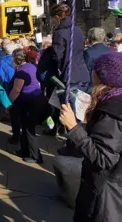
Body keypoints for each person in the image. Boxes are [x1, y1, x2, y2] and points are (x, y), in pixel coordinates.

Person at [59, 52, 122, 221]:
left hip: (105, 194)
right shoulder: (113, 103)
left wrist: (73, 128)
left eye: (95, 70)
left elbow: (103, 158)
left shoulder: (111, 113)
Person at [9, 50, 44, 163]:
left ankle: (36, 156)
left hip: (29, 103)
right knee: (25, 128)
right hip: (35, 99)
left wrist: (8, 104)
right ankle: (24, 151)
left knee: (29, 130)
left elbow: (16, 90)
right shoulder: (31, 66)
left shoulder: (21, 71)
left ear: (16, 60)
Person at [50, 3, 90, 94]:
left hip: (70, 76)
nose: (52, 21)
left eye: (52, 18)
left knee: (70, 107)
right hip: (83, 74)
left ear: (57, 17)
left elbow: (57, 56)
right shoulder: (77, 30)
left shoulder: (59, 33)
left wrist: (50, 50)